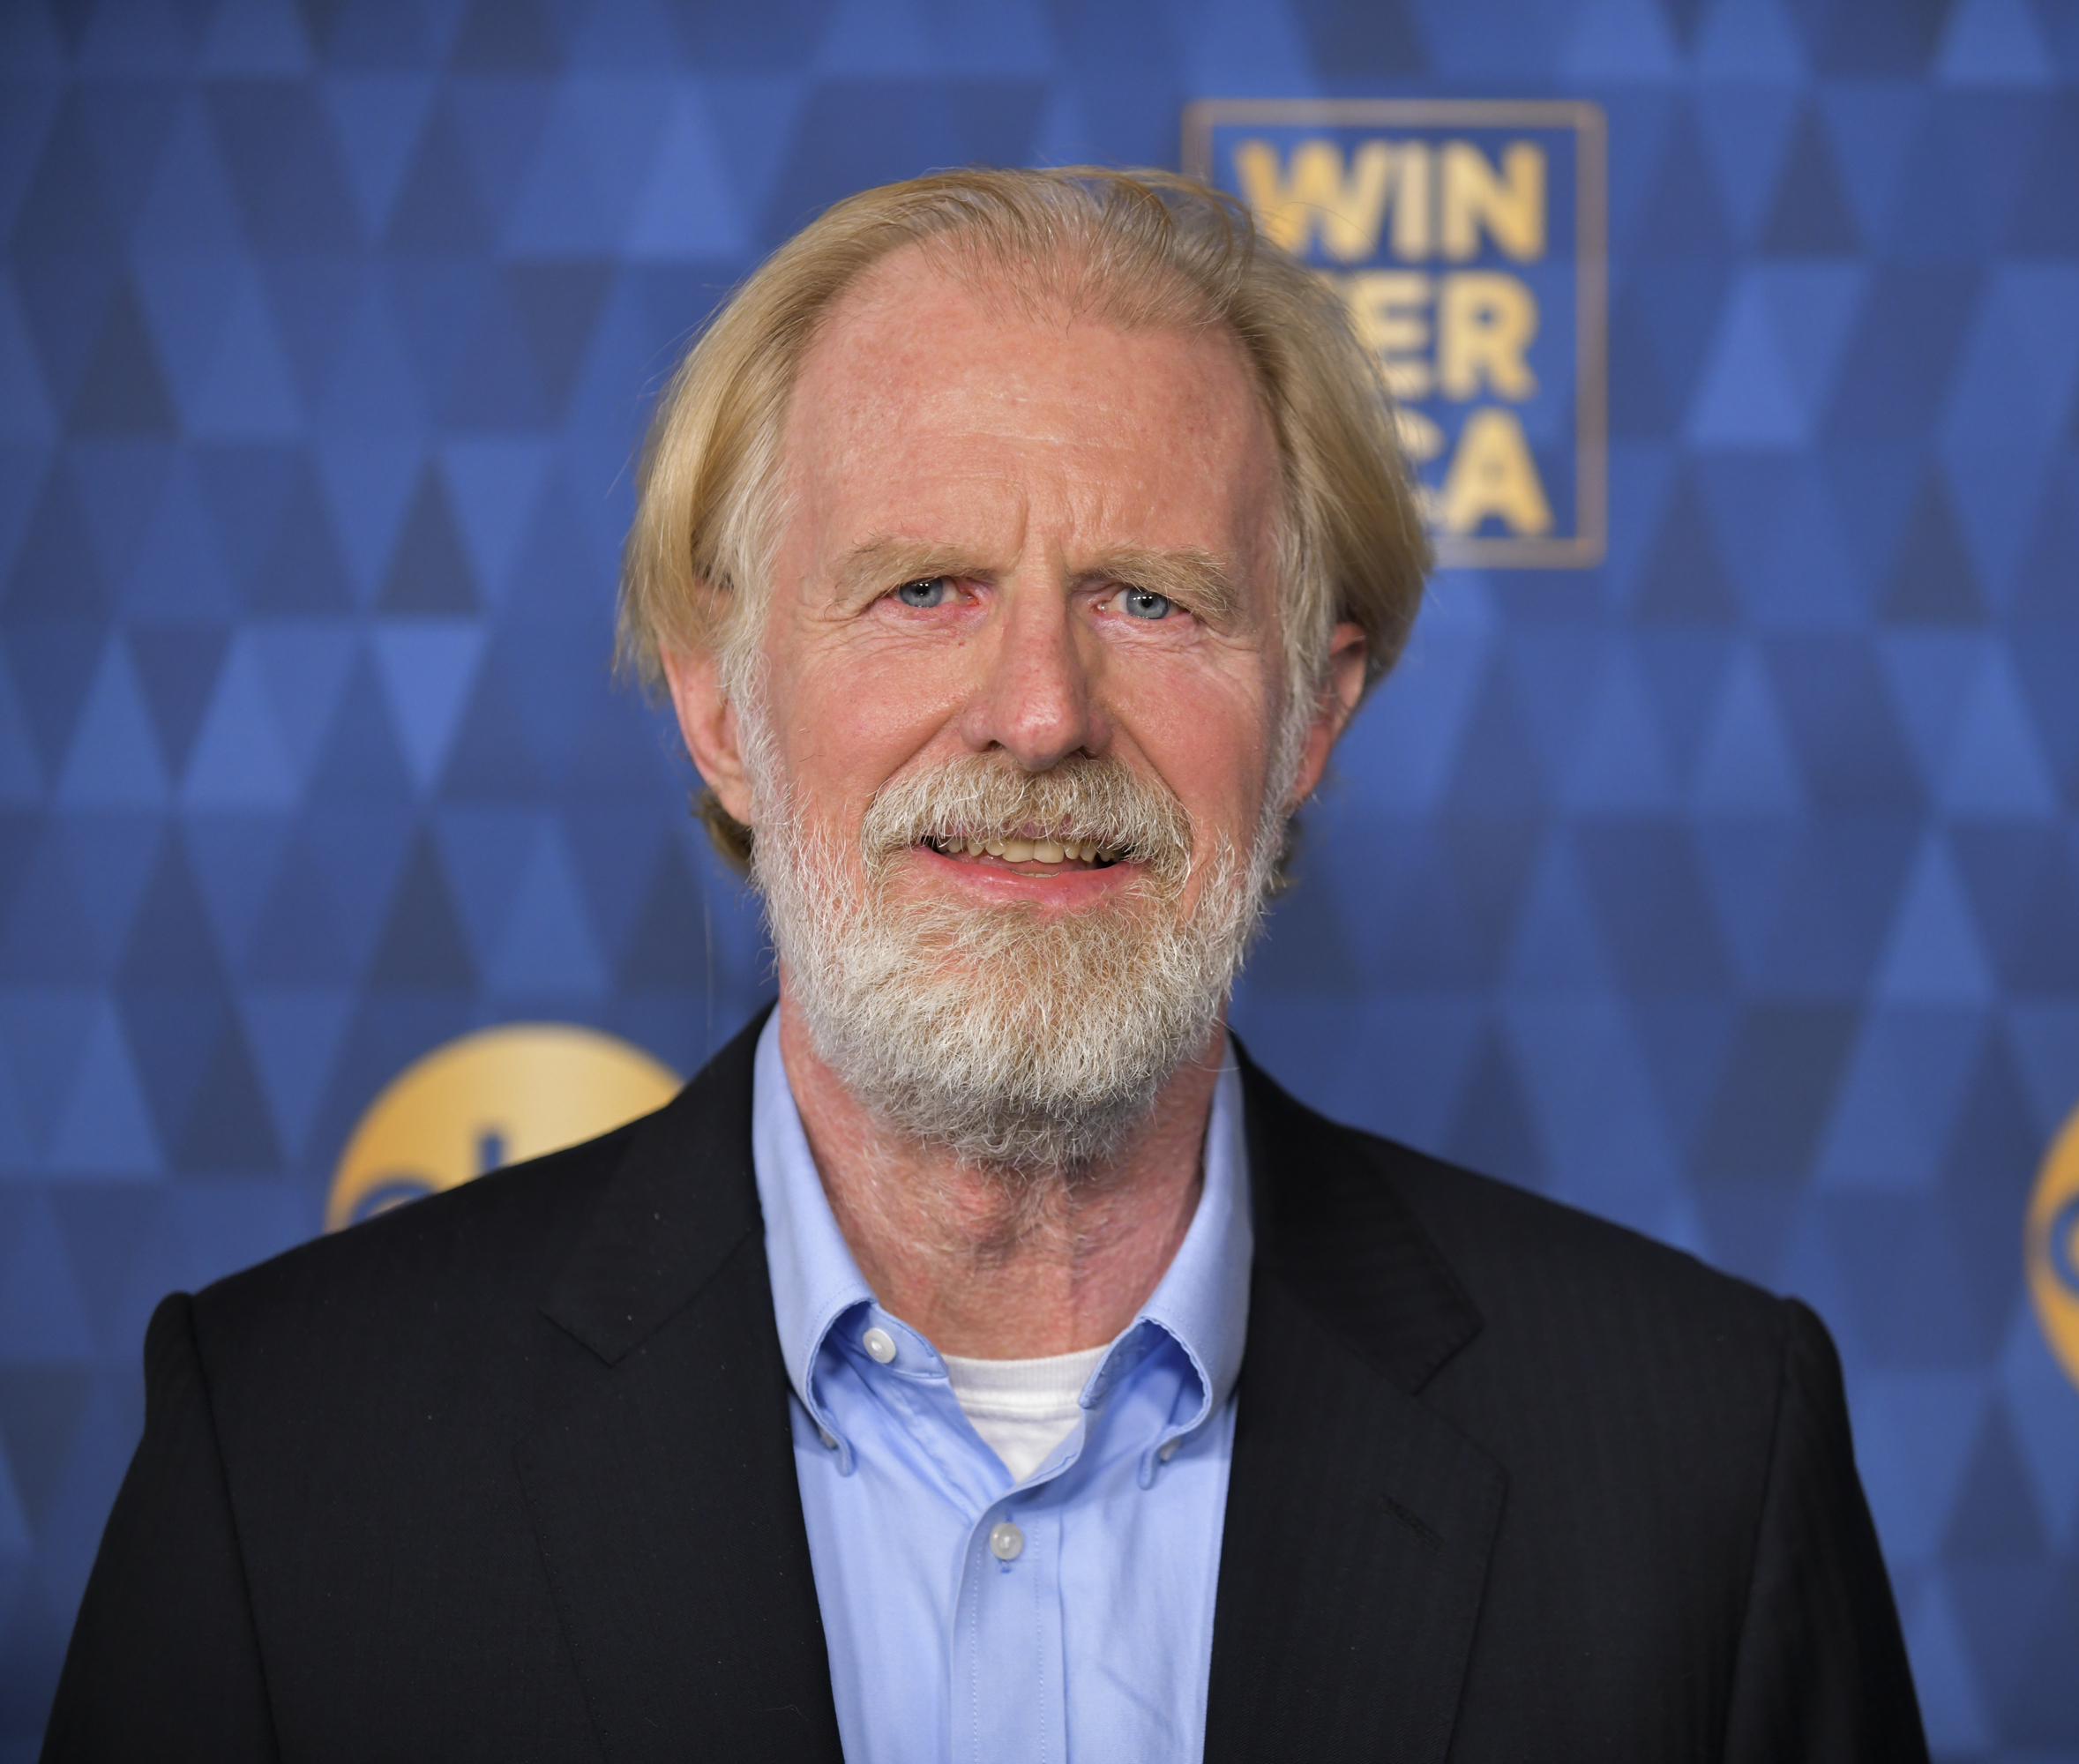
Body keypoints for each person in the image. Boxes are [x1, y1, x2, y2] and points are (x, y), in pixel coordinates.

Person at [44, 168, 1925, 1763]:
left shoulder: (1694, 1465)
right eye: (924, 585)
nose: (1038, 713)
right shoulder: (291, 1461)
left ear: (1317, 712)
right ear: (718, 702)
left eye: (1151, 599)